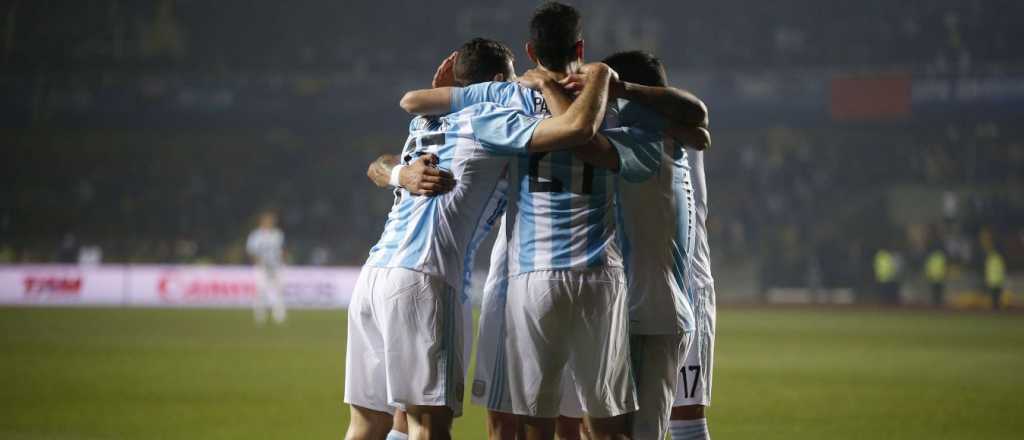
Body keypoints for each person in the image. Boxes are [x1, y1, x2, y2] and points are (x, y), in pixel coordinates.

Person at [399, 4, 706, 439]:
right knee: (607, 427)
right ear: (580, 47)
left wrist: (455, 93)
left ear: (529, 50)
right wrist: (607, 84)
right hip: (602, 276)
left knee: (532, 425)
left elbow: (414, 102)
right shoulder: (604, 105)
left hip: (533, 275)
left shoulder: (505, 99)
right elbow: (693, 124)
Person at [346, 36, 632, 440]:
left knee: (373, 423)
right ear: (499, 81)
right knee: (429, 427)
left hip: (373, 276)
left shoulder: (425, 122)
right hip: (426, 274)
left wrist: (398, 173)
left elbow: (392, 140)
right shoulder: (493, 117)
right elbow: (574, 128)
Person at [246, 211, 287, 325]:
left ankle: (279, 317)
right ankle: (260, 317)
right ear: (262, 221)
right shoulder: (255, 235)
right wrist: (259, 263)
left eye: (271, 220)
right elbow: (251, 251)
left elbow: (282, 249)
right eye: (267, 220)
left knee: (279, 291)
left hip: (276, 266)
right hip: (261, 267)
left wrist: (282, 262)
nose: (269, 222)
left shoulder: (278, 234)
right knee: (260, 291)